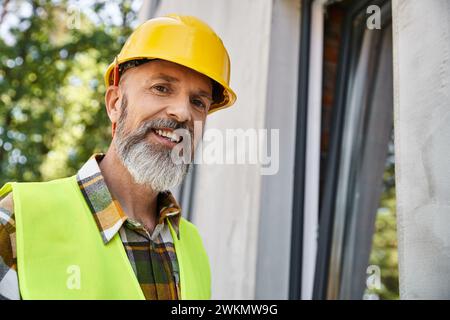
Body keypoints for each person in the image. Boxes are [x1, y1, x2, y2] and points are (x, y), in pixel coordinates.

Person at [0, 14, 236, 300]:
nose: (182, 113)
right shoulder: (17, 220)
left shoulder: (193, 246)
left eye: (198, 102)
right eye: (161, 88)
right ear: (114, 104)